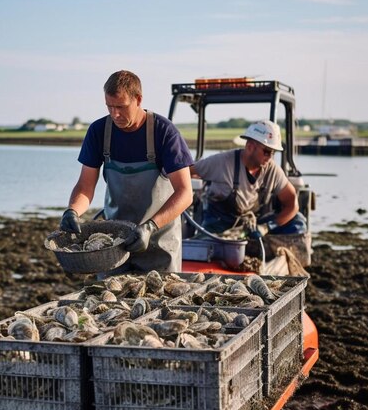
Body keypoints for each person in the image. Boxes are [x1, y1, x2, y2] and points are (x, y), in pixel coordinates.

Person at [60, 70, 194, 271]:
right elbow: (85, 186)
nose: (115, 114)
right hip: (114, 244)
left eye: (121, 107)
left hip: (159, 244)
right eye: (109, 107)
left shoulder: (164, 132)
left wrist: (149, 227)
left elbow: (185, 193)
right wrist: (72, 211)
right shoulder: (99, 132)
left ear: (138, 99)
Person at [189, 120, 307, 237]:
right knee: (204, 243)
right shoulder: (222, 162)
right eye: (266, 151)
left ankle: (265, 249)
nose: (270, 157)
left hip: (253, 225)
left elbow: (292, 204)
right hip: (219, 224)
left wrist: (267, 227)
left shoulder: (272, 170)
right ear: (250, 146)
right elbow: (186, 171)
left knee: (298, 221)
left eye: (273, 153)